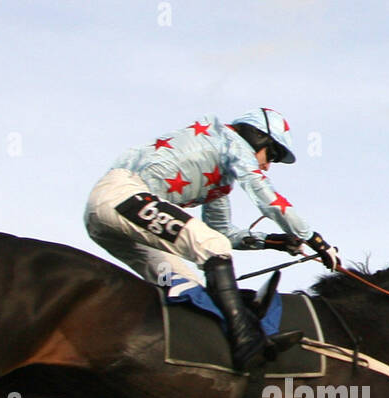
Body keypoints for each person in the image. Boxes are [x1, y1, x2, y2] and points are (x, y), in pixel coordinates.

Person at [83, 108, 340, 371]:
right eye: (271, 154)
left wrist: (271, 241)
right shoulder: (232, 144)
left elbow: (223, 232)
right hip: (122, 196)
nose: (267, 165)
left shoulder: (220, 174)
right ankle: (246, 341)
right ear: (258, 137)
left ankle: (183, 359)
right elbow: (267, 198)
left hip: (113, 220)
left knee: (192, 290)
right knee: (212, 248)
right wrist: (314, 239)